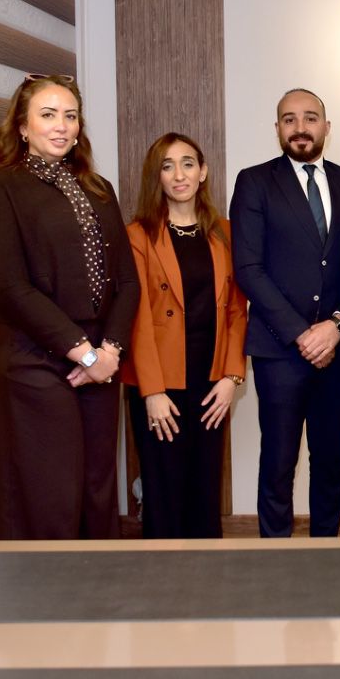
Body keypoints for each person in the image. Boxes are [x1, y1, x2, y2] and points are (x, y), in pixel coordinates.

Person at [0, 73, 140, 540]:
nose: (61, 126)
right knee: (50, 494)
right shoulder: (2, 189)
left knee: (97, 487)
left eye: (70, 116)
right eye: (48, 115)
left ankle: (98, 583)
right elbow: (9, 287)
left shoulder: (99, 188)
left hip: (101, 360)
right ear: (22, 126)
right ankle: (46, 587)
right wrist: (83, 354)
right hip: (33, 359)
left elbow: (127, 281)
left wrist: (109, 351)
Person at [230, 89, 340, 538]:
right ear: (277, 129)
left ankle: (326, 551)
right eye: (289, 119)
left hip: (337, 348)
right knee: (278, 461)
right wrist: (300, 333)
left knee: (330, 460)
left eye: (310, 118)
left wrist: (337, 325)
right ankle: (276, 557)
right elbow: (248, 268)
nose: (300, 127)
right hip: (279, 349)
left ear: (327, 127)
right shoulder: (254, 182)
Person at [120, 132, 250, 539]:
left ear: (203, 172)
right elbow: (137, 318)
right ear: (156, 176)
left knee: (205, 489)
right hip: (160, 383)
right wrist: (152, 392)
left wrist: (231, 377)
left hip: (211, 382)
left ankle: (207, 573)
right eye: (167, 166)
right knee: (164, 492)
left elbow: (237, 310)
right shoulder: (138, 235)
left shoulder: (226, 233)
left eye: (188, 164)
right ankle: (162, 576)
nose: (179, 175)